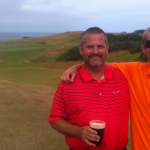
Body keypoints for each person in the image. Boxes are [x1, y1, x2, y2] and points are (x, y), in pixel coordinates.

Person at [61, 27, 150, 150]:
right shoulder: (136, 71)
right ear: (143, 48)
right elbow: (99, 61)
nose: (95, 50)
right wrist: (77, 66)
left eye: (100, 46)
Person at [48, 27, 130, 150]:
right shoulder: (68, 82)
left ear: (107, 49)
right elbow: (54, 119)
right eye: (90, 47)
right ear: (81, 50)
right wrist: (78, 132)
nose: (95, 51)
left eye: (100, 46)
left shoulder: (123, 78)